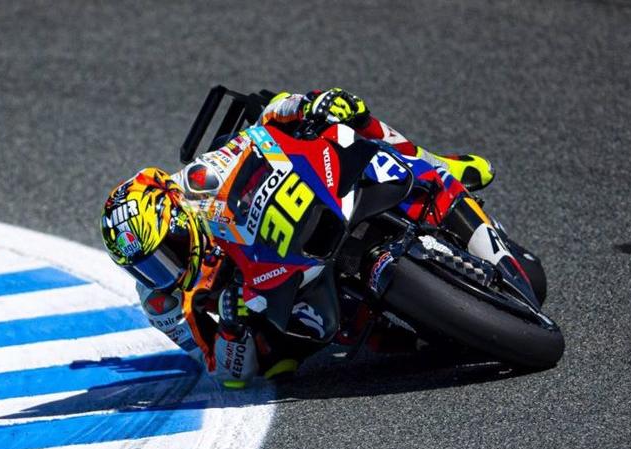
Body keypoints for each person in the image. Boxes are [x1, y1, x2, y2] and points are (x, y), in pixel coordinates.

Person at [100, 88, 500, 387]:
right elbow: (227, 375)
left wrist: (305, 106)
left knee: (346, 120)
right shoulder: (160, 302)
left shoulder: (199, 182)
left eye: (167, 253)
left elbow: (262, 129)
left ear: (177, 216)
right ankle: (387, 322)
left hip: (290, 232)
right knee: (282, 364)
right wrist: (232, 328)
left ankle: (435, 164)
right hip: (270, 299)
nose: (165, 271)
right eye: (148, 268)